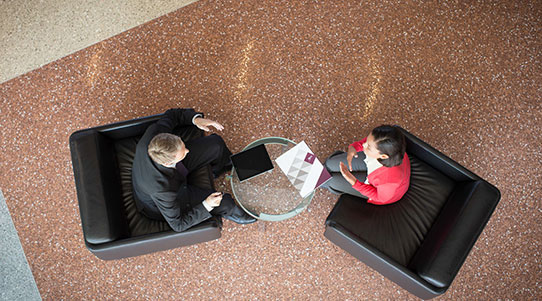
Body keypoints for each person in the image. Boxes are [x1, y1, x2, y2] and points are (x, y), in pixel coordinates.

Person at [132, 108, 256, 232]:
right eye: (183, 152)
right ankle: (237, 214)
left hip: (171, 169)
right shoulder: (163, 192)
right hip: (170, 194)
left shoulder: (156, 135)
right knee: (225, 202)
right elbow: (178, 225)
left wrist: (195, 120)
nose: (188, 151)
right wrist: (206, 204)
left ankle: (220, 168)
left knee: (216, 144)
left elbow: (172, 114)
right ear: (169, 162)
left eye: (183, 145)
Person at [323, 125, 411, 205]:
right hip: (375, 164)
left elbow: (378, 197)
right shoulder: (382, 145)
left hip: (378, 190)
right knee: (329, 163)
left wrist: (354, 182)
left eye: (368, 146)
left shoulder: (391, 181)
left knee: (330, 181)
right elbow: (371, 141)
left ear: (383, 156)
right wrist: (355, 147)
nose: (363, 145)